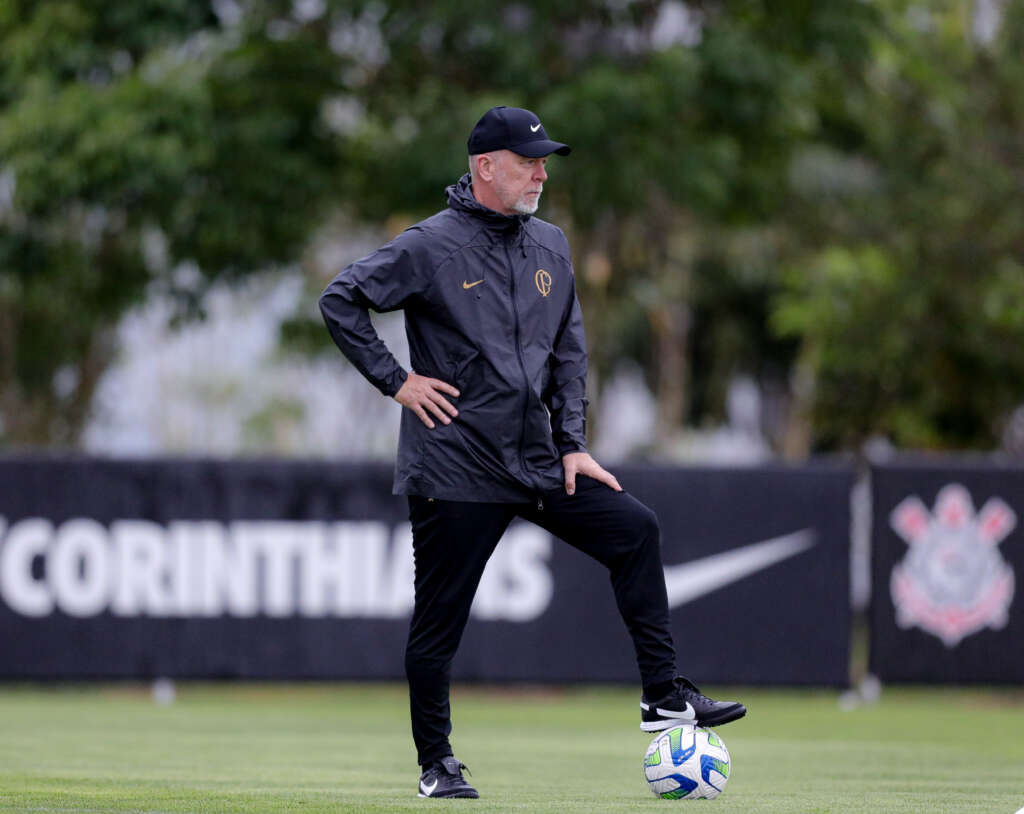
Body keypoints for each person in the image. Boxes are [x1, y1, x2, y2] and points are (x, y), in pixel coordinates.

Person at [319, 105, 746, 799]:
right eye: (528, 161)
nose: (542, 172)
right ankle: (437, 764)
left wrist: (573, 445)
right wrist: (397, 382)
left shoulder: (550, 243)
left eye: (544, 160)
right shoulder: (430, 245)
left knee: (634, 528)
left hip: (539, 461)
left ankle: (664, 698)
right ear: (486, 166)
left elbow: (569, 352)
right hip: (455, 466)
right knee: (439, 626)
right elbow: (341, 300)